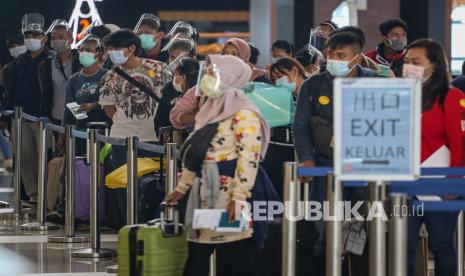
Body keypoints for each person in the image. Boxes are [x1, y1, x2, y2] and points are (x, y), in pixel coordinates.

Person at [165, 54, 271, 276]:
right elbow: (198, 153)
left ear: (230, 77)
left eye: (214, 73)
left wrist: (239, 198)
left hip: (228, 191)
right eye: (209, 72)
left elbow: (248, 158)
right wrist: (182, 187)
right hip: (205, 191)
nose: (207, 77)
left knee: (233, 253)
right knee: (201, 250)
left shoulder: (244, 112)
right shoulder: (211, 108)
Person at [292, 32, 377, 276]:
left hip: (364, 171)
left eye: (341, 55)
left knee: (365, 232)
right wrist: (306, 158)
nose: (333, 59)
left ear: (357, 58)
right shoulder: (313, 85)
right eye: (331, 54)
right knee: (324, 233)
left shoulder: (374, 83)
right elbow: (300, 127)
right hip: (323, 170)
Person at [403, 38, 465, 276]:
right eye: (407, 61)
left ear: (435, 66)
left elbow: (459, 145)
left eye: (416, 62)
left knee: (442, 245)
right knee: (403, 246)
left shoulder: (451, 97)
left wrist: (453, 182)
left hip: (440, 185)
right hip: (405, 186)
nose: (409, 66)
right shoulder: (401, 96)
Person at [99, 29, 165, 223]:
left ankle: (150, 225)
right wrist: (126, 122)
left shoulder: (159, 69)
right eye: (109, 49)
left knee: (154, 184)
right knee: (124, 185)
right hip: (121, 138)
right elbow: (109, 109)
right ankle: (129, 227)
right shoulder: (109, 77)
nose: (111, 52)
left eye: (115, 48)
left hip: (153, 137)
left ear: (132, 48)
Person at [4, 13, 50, 205]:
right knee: (24, 158)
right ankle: (34, 195)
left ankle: (50, 195)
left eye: (35, 35)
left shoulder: (51, 59)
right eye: (28, 35)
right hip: (21, 116)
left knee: (45, 158)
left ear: (44, 38)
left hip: (45, 118)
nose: (31, 39)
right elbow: (11, 91)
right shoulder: (17, 63)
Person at [57, 35, 109, 154]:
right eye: (81, 50)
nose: (83, 53)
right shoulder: (74, 79)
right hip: (80, 132)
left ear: (98, 54)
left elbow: (112, 103)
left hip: (103, 132)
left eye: (88, 50)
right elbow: (69, 109)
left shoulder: (107, 76)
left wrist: (94, 106)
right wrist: (63, 133)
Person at [38, 20, 81, 125]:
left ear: (71, 40)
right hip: (55, 117)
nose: (57, 40)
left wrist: (80, 118)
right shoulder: (45, 65)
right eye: (53, 38)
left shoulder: (81, 61)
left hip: (78, 117)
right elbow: (45, 92)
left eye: (61, 37)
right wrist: (44, 115)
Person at [154, 57, 199, 135]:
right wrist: (163, 133)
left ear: (184, 77)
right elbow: (162, 117)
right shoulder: (169, 89)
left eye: (175, 75)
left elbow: (176, 115)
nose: (174, 79)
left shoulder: (199, 93)